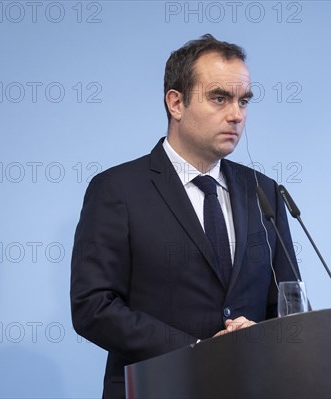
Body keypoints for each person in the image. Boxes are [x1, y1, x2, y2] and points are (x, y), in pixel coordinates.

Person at [70, 34, 299, 398]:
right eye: (219, 98)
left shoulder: (264, 191)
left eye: (243, 101)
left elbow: (288, 304)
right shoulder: (117, 189)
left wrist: (259, 336)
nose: (236, 115)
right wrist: (199, 351)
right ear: (176, 103)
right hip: (156, 388)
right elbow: (93, 307)